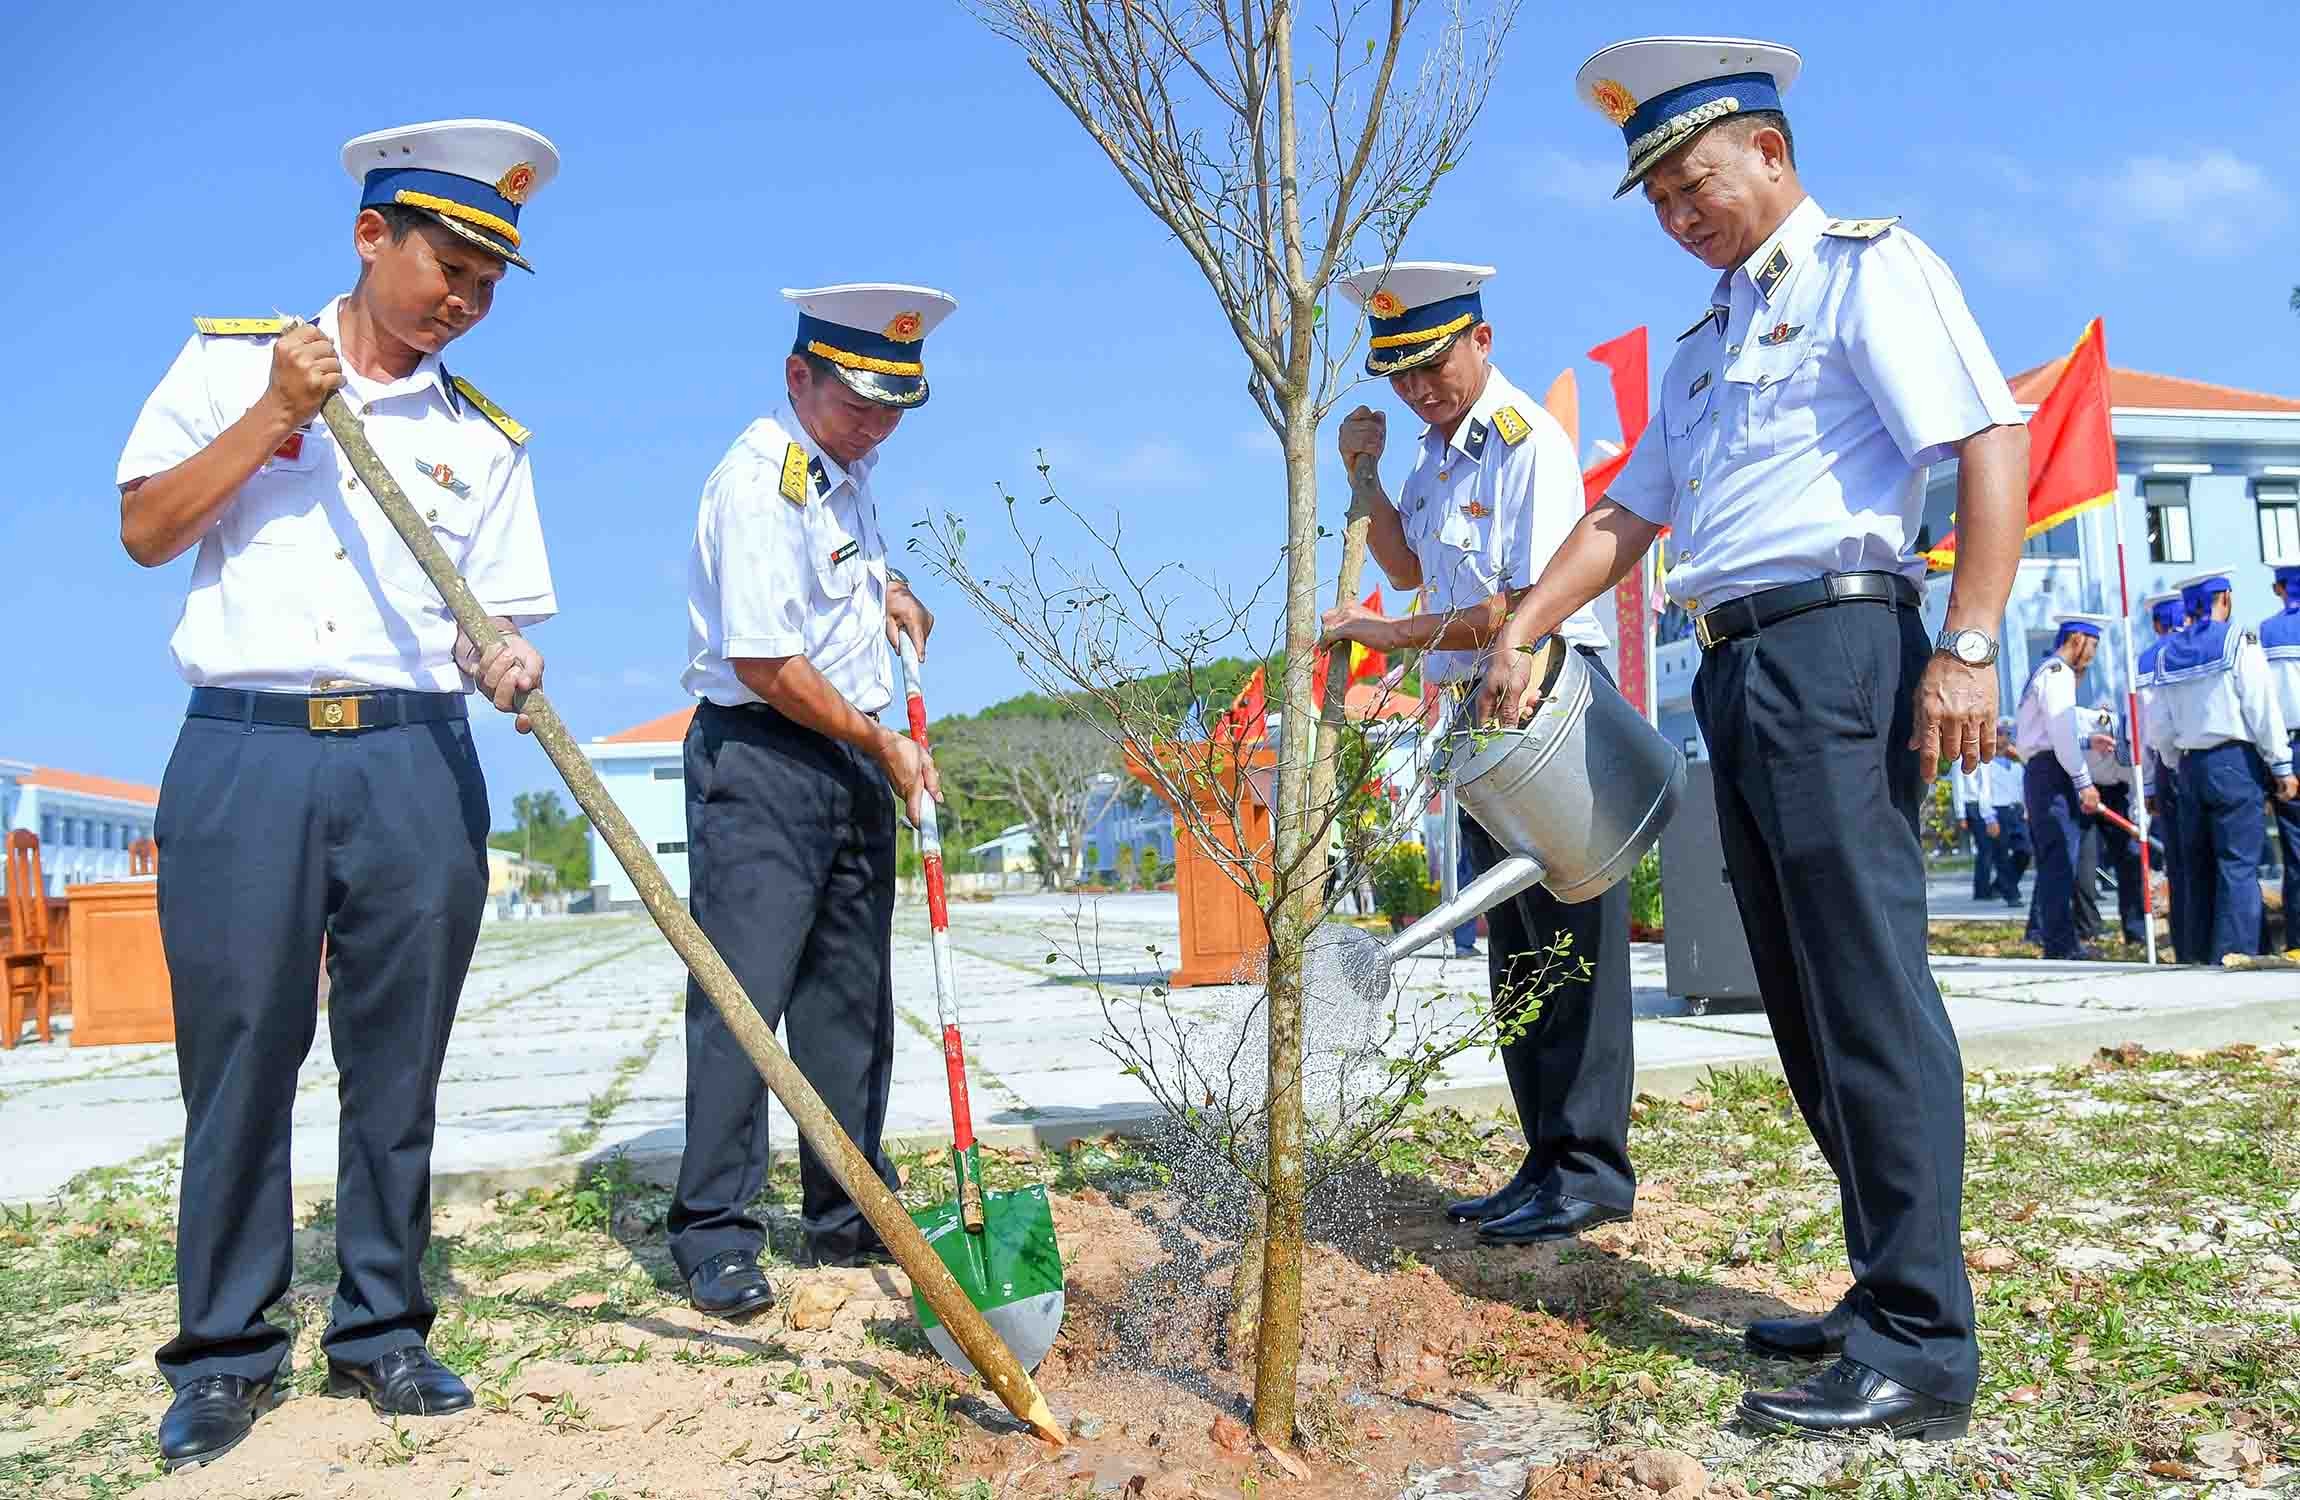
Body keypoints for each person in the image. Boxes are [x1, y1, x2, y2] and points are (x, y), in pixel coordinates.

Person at [1483, 37, 2031, 1440]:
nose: (1680, 214)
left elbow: (1985, 441)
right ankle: (1879, 1291)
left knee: (1867, 991)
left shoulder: (1865, 270)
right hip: (1740, 672)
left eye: (1695, 180)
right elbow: (1626, 513)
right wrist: (1526, 625)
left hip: (1842, 647)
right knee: (1800, 1000)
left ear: (1771, 154)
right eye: (1658, 197)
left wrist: (1966, 645)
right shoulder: (1711, 337)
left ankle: (1923, 1339)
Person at [117, 120, 560, 1470]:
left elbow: (502, 616)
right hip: (246, 749)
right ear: (373, 238)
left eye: (489, 284)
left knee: (397, 1059)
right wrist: (274, 417)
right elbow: (143, 531)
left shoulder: (481, 439)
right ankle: (226, 1353)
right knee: (243, 1055)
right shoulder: (226, 362)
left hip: (416, 756)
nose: (464, 303)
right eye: (449, 266)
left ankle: (382, 1328)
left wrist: (509, 657)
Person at [1320, 261, 1636, 1246]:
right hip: (1476, 723)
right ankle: (1541, 1158)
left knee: (1570, 948)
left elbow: (1526, 602)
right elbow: (1410, 567)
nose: (1417, 387)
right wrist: (1365, 482)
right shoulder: (1435, 456)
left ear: (1481, 341)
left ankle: (1586, 1168)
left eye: (1431, 364)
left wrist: (1393, 639)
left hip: (1544, 710)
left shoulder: (1522, 443)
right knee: (1514, 955)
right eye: (1399, 373)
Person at [671, 284, 947, 1320]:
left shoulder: (844, 476)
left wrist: (894, 590)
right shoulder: (759, 483)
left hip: (847, 756)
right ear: (799, 378)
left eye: (894, 407)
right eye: (858, 402)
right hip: (766, 759)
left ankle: (846, 1208)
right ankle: (715, 1232)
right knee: (744, 1003)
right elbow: (764, 655)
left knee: (847, 1003)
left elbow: (834, 586)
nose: (878, 424)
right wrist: (879, 740)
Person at [2149, 572, 2295, 963]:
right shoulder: (2238, 643)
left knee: (2197, 867)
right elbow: (2262, 710)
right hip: (2234, 762)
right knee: (2238, 864)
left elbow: (2158, 727)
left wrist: (2175, 762)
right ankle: (2235, 952)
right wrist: (2281, 766)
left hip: (2190, 767)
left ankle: (2197, 952)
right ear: (2224, 599)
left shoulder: (2166, 653)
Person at [2015, 614, 2114, 960]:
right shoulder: (2059, 674)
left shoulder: (2045, 672)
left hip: (2042, 772)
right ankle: (2061, 945)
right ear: (2077, 639)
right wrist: (2084, 781)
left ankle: (2055, 937)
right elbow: (2059, 734)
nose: (2093, 656)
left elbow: (2054, 730)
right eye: (2093, 646)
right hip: (2053, 775)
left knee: (2054, 862)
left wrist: (2087, 739)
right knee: (2060, 864)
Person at [2137, 590, 2188, 957]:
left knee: (2180, 861)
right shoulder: (2195, 648)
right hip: (2199, 761)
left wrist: (2152, 781)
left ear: (2157, 623)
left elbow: (2144, 730)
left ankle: (2188, 944)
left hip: (2166, 766)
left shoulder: (2145, 659)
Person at [2080, 703, 2148, 947]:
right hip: (2082, 788)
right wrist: (2082, 787)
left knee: (2131, 859)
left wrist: (2139, 824)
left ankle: (2136, 930)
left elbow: (2137, 793)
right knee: (2081, 864)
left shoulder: (2138, 755)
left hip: (2117, 795)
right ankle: (2086, 928)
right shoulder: (2086, 722)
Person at [2262, 565, 2300, 950]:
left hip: (2291, 750)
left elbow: (2265, 707)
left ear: (2279, 589)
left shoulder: (2268, 633)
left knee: (2296, 852)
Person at [1981, 725, 2029, 907]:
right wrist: (1989, 817)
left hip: (2016, 811)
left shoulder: (2016, 764)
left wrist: (2027, 809)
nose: (2004, 738)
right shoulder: (1986, 764)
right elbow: (1983, 791)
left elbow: (2023, 788)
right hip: (1998, 810)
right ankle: (2012, 895)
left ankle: (2002, 885)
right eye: (2000, 734)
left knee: (2025, 851)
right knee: (2001, 854)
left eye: (2007, 734)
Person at [1951, 750, 1997, 901]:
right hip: (1972, 806)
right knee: (1985, 849)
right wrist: (1961, 814)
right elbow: (1958, 786)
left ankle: (1987, 887)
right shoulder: (1960, 758)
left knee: (1989, 849)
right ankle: (1981, 890)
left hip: (1987, 806)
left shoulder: (1986, 758)